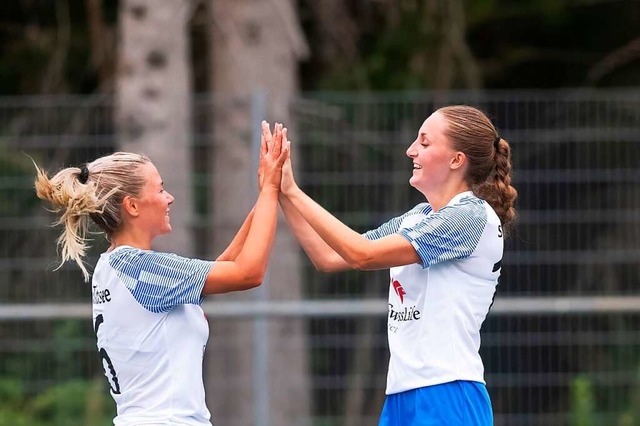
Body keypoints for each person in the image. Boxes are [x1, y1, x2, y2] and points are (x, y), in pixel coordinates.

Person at [33, 122, 289, 425]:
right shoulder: (140, 268)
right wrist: (271, 191)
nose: (169, 198)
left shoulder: (114, 266)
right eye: (160, 188)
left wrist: (265, 196)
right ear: (132, 206)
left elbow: (219, 271)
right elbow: (249, 273)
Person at [275, 105, 517, 425]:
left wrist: (293, 190)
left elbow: (362, 255)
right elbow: (330, 257)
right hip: (403, 394)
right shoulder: (421, 215)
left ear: (457, 160)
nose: (411, 150)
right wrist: (280, 191)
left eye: (425, 143)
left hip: (447, 394)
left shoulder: (469, 215)